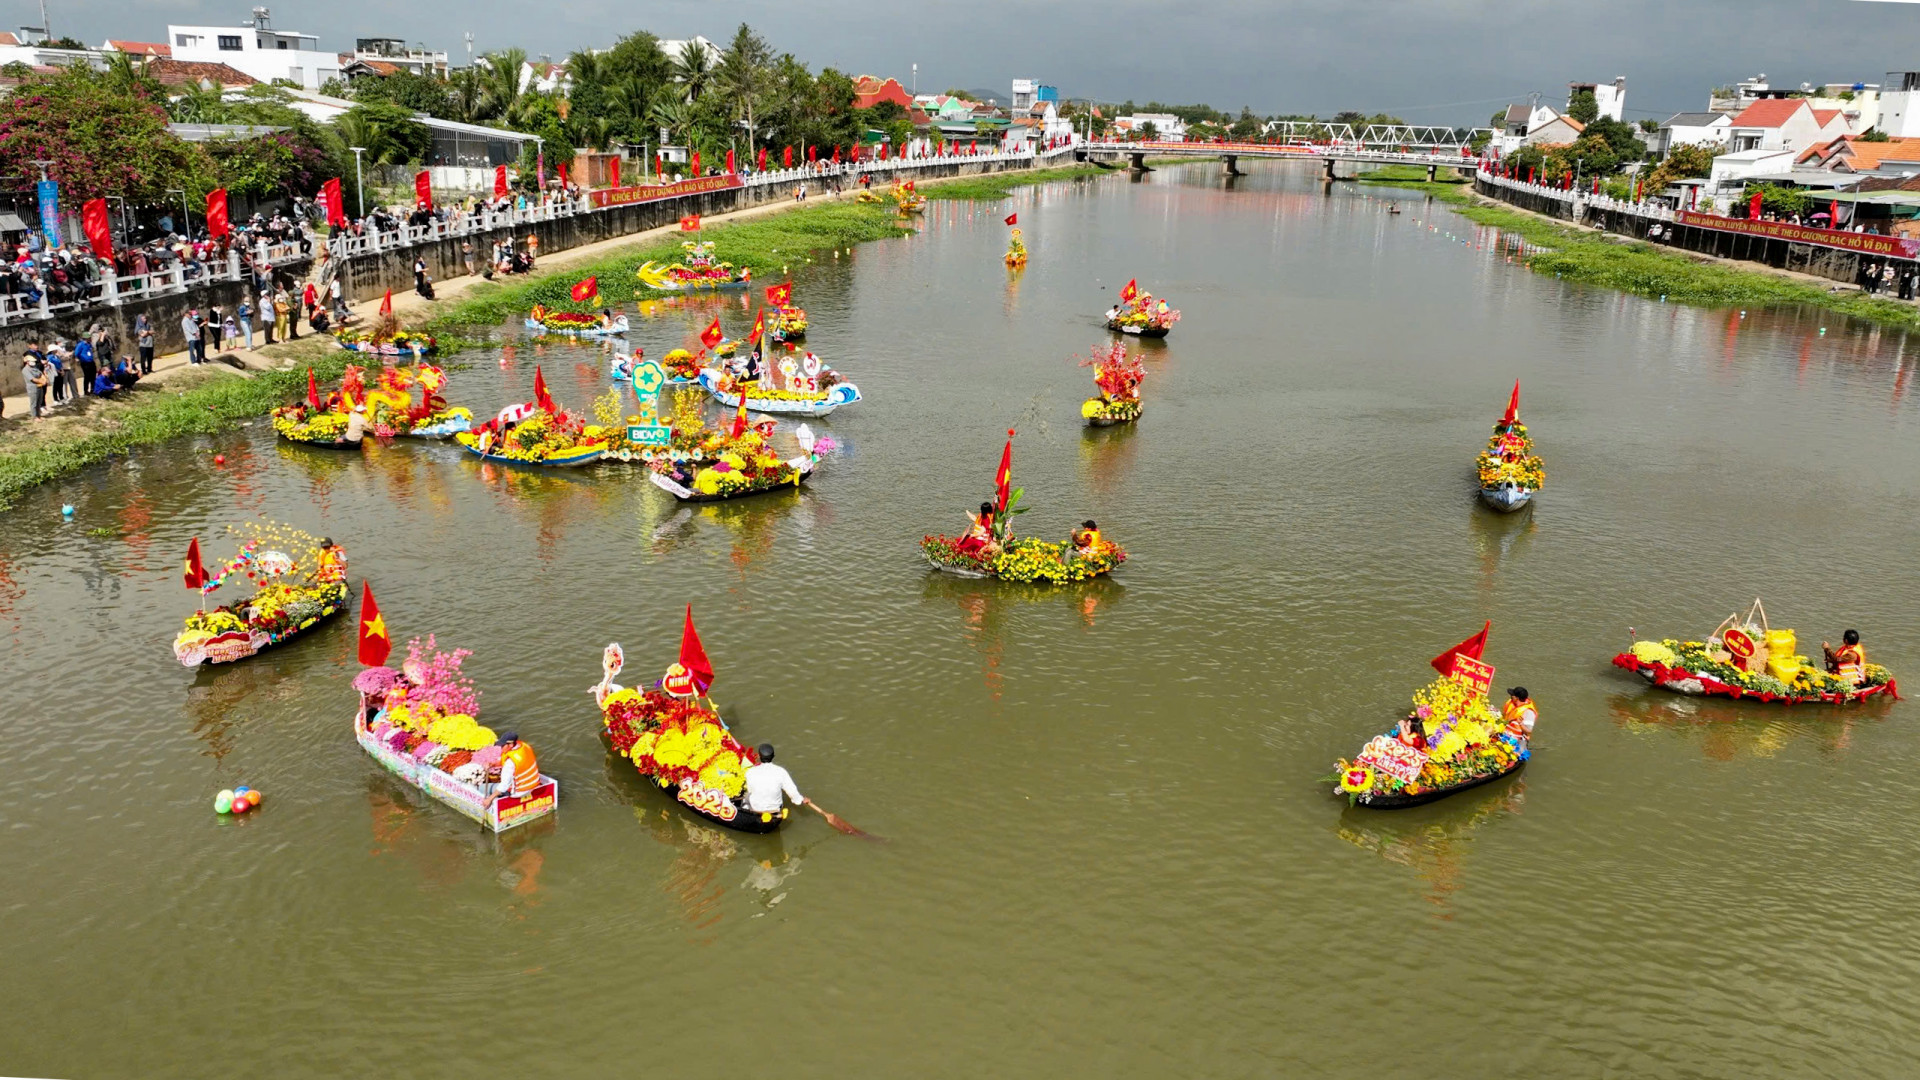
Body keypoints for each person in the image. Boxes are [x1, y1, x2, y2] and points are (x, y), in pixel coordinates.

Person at [742, 743, 807, 815]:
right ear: (773, 756)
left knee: (746, 795)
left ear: (759, 756)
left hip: (756, 808)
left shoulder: (750, 772)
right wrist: (801, 799)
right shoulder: (781, 772)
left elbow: (750, 790)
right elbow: (792, 790)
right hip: (775, 809)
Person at [489, 731, 540, 805]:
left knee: (482, 788)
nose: (500, 748)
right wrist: (493, 764)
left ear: (511, 745)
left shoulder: (510, 762)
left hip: (518, 792)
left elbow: (504, 785)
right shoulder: (524, 748)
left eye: (503, 746)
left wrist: (489, 799)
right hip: (533, 787)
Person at [20, 345, 48, 420]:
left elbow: (41, 373)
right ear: (27, 362)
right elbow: (32, 379)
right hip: (32, 388)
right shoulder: (25, 370)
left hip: (40, 387)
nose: (33, 362)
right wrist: (42, 381)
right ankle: (35, 416)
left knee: (39, 402)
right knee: (34, 403)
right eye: (31, 361)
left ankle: (39, 415)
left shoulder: (34, 368)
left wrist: (44, 379)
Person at [73, 332, 96, 396]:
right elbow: (76, 353)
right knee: (87, 376)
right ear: (86, 338)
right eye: (89, 338)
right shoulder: (80, 344)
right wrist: (78, 358)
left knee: (93, 376)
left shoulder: (89, 344)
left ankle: (93, 389)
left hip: (91, 361)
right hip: (85, 362)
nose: (90, 339)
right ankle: (86, 390)